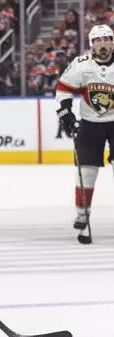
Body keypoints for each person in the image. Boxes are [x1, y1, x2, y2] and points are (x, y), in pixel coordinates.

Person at [56, 24, 114, 244]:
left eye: (107, 39)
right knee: (87, 172)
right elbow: (63, 89)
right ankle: (82, 213)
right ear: (91, 44)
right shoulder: (81, 65)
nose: (102, 44)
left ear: (112, 42)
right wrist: (66, 114)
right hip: (90, 123)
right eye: (97, 40)